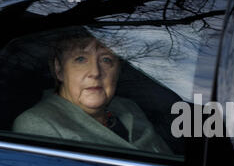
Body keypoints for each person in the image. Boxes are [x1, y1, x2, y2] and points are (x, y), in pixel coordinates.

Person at [13, 28, 172, 154]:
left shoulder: (129, 108)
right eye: (80, 59)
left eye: (106, 60)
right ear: (59, 69)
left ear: (117, 72)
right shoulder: (37, 124)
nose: (95, 72)